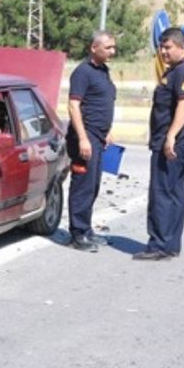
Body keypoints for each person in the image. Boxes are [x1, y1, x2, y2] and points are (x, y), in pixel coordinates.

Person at [134, 27, 184, 261]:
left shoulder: (183, 71)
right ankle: (171, 244)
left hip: (174, 143)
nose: (163, 51)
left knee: (162, 193)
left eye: (168, 47)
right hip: (175, 141)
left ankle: (160, 245)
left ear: (182, 47)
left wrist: (171, 136)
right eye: (161, 47)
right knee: (173, 193)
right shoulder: (179, 70)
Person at [66, 30, 117, 252]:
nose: (112, 52)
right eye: (107, 48)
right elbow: (73, 106)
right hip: (85, 137)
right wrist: (83, 139)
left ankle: (86, 229)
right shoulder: (82, 72)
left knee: (93, 185)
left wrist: (107, 131)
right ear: (93, 48)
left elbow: (100, 103)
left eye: (113, 47)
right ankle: (77, 233)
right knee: (83, 186)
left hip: (98, 136)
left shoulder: (104, 71)